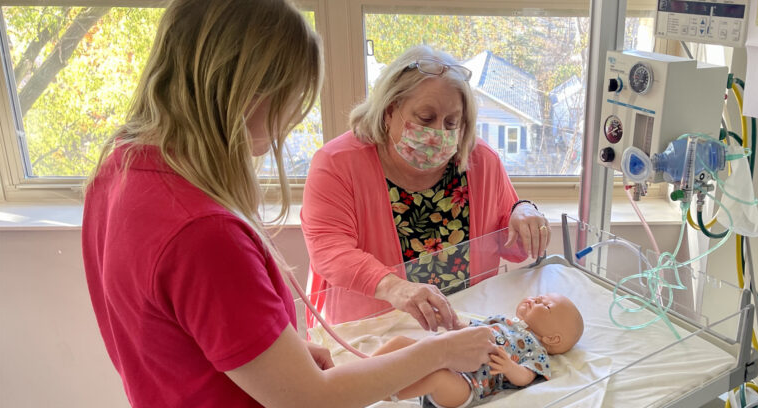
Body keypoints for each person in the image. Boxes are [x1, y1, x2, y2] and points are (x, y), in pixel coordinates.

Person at [82, 1, 497, 407]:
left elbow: (181, 327)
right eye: (291, 99)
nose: (287, 122)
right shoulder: (204, 232)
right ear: (246, 92)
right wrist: (440, 352)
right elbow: (310, 400)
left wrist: (277, 349)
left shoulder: (120, 165)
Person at [301, 45, 552, 331]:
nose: (438, 133)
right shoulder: (337, 164)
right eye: (425, 118)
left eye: (451, 122)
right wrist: (395, 288)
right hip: (372, 331)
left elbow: (509, 238)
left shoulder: (479, 160)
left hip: (462, 322)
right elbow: (330, 251)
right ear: (389, 110)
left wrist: (524, 213)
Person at [372, 294, 585, 408]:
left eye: (545, 306)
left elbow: (527, 377)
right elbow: (471, 331)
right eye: (539, 296)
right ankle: (365, 369)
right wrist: (452, 324)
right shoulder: (501, 321)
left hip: (467, 384)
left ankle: (380, 394)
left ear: (552, 338)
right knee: (400, 342)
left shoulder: (536, 350)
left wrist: (510, 367)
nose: (535, 299)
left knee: (438, 377)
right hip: (442, 356)